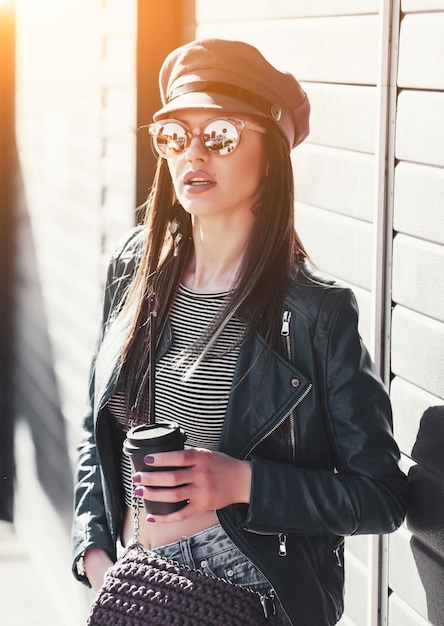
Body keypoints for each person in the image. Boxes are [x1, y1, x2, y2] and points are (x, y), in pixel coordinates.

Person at [72, 38, 408, 625]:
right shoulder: (132, 272)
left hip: (252, 602)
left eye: (220, 135)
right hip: (138, 592)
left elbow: (380, 496)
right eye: (174, 136)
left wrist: (243, 482)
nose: (193, 153)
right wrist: (98, 556)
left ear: (271, 154)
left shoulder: (316, 314)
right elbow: (94, 428)